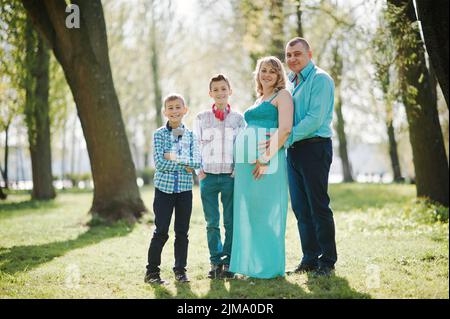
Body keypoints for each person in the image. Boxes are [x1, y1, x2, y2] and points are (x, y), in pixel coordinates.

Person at [230, 56, 293, 279]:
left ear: (279, 76)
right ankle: (251, 265)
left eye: (272, 71)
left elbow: (284, 129)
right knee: (251, 212)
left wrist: (265, 158)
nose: (267, 74)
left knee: (266, 211)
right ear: (257, 74)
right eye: (263, 70)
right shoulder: (259, 99)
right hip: (247, 166)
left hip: (268, 162)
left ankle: (269, 266)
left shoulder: (282, 95)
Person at [284, 37, 337, 277]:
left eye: (297, 53)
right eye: (289, 55)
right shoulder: (292, 83)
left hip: (315, 147)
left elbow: (315, 119)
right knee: (300, 208)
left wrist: (285, 137)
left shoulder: (320, 79)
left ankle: (327, 260)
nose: (292, 58)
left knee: (318, 206)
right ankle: (309, 258)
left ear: (309, 54)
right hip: (294, 150)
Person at [144, 94, 201, 285]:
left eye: (178, 107)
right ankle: (152, 273)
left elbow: (197, 161)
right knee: (161, 231)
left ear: (185, 110)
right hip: (164, 191)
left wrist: (173, 157)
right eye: (170, 108)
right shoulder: (159, 134)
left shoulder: (192, 136)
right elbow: (160, 163)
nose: (174, 111)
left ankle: (180, 271)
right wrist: (184, 162)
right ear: (164, 112)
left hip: (184, 191)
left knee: (182, 232)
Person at [194, 74, 245, 279]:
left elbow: (242, 147)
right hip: (208, 177)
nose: (220, 93)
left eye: (223, 89)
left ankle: (229, 262)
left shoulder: (238, 119)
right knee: (212, 222)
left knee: (230, 221)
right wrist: (199, 170)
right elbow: (195, 145)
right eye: (216, 90)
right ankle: (215, 262)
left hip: (229, 177)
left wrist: (237, 169)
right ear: (210, 94)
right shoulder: (201, 118)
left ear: (229, 91)